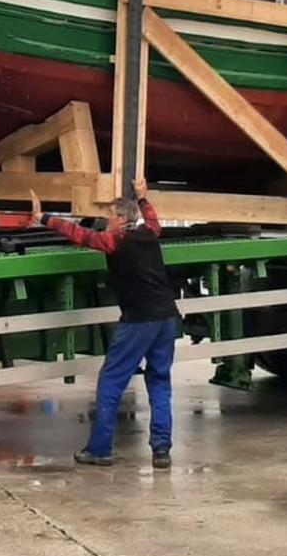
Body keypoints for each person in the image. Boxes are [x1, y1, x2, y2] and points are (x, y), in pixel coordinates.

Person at [24, 177, 179, 469]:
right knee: (160, 382)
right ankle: (161, 450)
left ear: (121, 219)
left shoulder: (114, 242)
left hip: (139, 321)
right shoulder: (149, 235)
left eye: (109, 217)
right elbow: (154, 221)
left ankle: (100, 449)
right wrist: (143, 198)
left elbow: (79, 234)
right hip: (167, 318)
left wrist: (42, 217)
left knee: (111, 381)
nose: (105, 222)